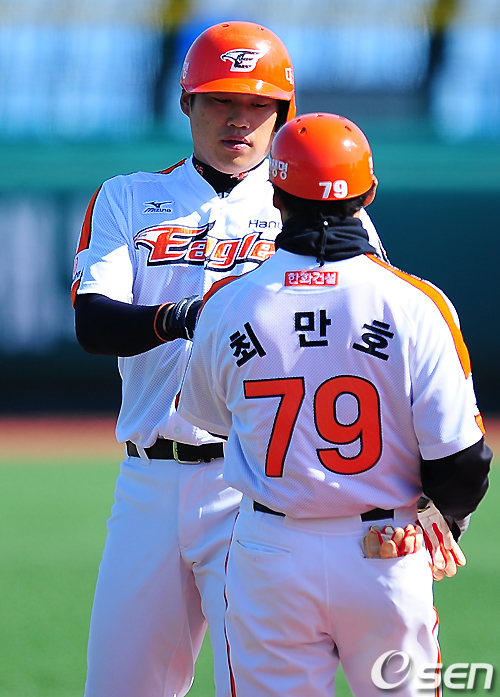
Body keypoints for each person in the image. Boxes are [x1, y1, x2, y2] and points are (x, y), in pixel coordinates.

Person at [71, 20, 386, 697]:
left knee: (260, 686)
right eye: (220, 100)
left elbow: (371, 336)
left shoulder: (319, 206)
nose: (239, 118)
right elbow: (94, 323)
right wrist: (185, 316)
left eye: (257, 103)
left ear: (283, 113)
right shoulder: (129, 196)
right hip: (147, 481)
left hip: (258, 487)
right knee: (118, 687)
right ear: (187, 102)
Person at [177, 112, 492, 696]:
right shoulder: (416, 304)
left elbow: (212, 419)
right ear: (367, 195)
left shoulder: (228, 302)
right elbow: (464, 460)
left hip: (271, 552)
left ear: (276, 195)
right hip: (386, 550)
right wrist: (442, 517)